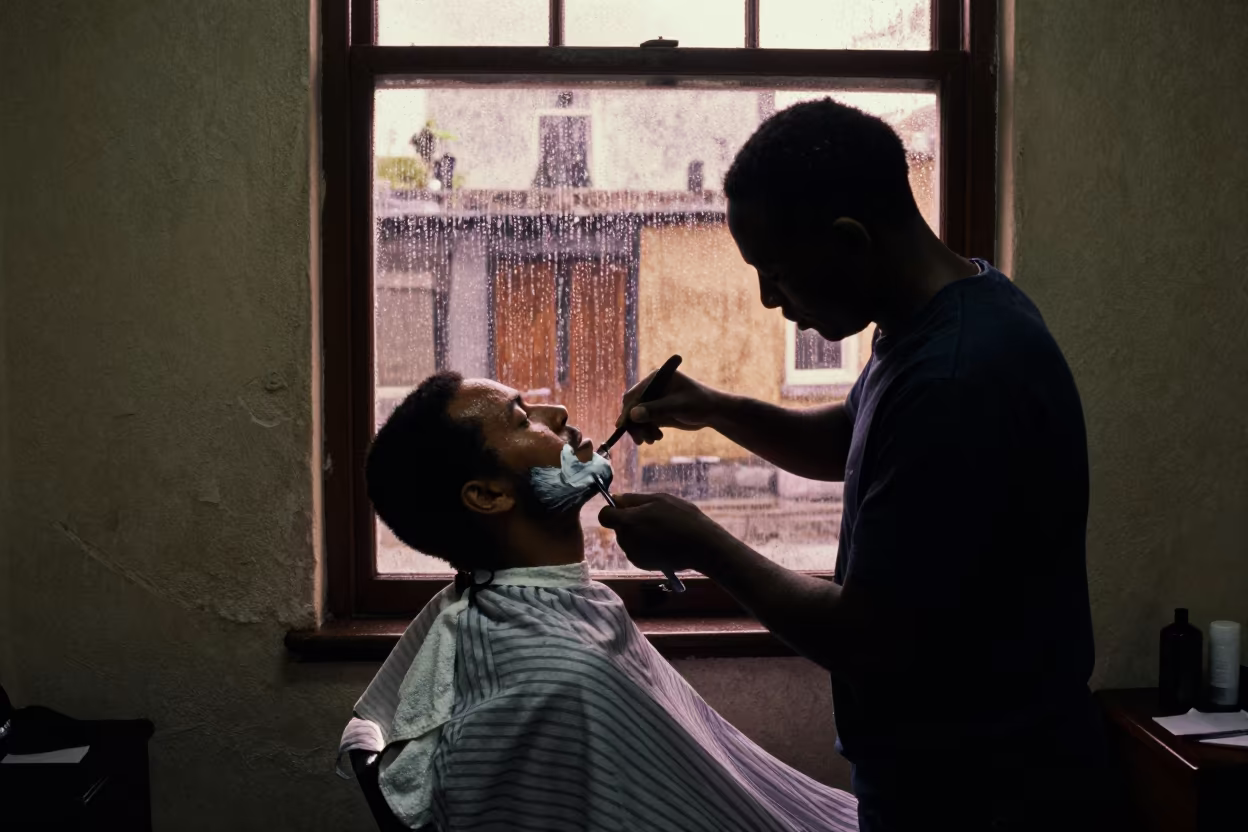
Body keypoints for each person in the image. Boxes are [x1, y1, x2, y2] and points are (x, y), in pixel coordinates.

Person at [597, 99, 1110, 831]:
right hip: (949, 776)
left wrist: (701, 544)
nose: (768, 298)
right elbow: (850, 438)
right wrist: (716, 408)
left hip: (989, 794)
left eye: (775, 272)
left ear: (848, 241)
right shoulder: (933, 318)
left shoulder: (956, 379)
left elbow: (863, 636)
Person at [339, 372, 859, 832]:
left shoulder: (556, 609)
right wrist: (705, 544)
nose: (557, 413)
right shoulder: (553, 683)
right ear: (490, 496)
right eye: (523, 420)